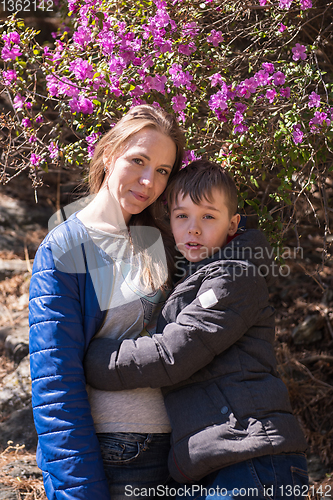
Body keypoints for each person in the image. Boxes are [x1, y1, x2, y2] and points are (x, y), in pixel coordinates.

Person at [84, 160, 309, 500]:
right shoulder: (194, 275)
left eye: (208, 216)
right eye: (181, 216)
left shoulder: (234, 277)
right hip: (216, 460)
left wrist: (91, 359)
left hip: (253, 459)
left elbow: (172, 354)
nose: (193, 228)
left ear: (232, 223)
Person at [29, 104, 185, 500]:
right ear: (110, 152)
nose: (149, 181)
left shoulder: (159, 240)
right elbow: (55, 382)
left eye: (163, 171)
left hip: (181, 451)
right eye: (139, 160)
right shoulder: (66, 246)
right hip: (116, 454)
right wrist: (77, 489)